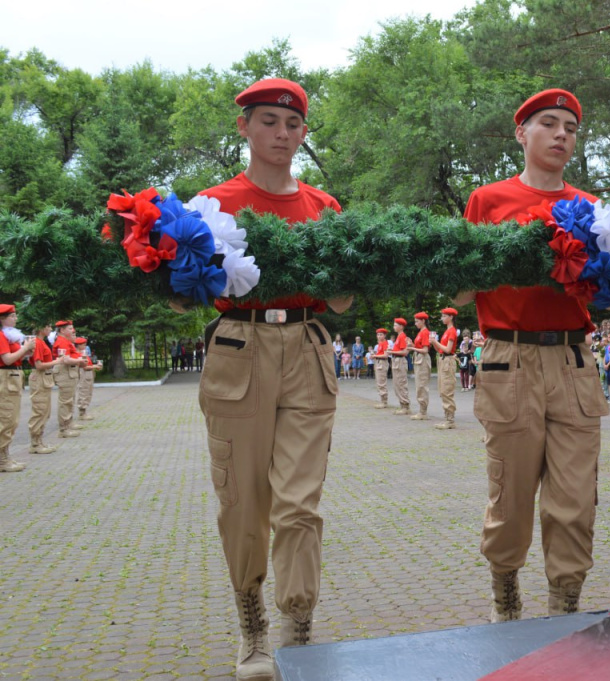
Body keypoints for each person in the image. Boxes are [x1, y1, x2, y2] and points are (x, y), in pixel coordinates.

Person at [194, 78, 350, 680]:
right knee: (242, 502)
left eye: (292, 125)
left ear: (303, 132)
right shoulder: (212, 204)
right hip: (239, 346)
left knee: (299, 504)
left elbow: (340, 301)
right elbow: (184, 297)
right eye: (267, 122)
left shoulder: (324, 208)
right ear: (245, 128)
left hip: (307, 348)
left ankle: (297, 625)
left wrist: (346, 273)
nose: (281, 134)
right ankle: (253, 626)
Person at [456, 89, 609, 621]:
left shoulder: (590, 208)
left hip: (572, 359)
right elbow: (462, 280)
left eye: (570, 126)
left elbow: (608, 286)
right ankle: (506, 596)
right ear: (522, 134)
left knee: (574, 499)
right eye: (549, 123)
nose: (562, 134)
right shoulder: (487, 201)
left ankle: (565, 608)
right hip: (510, 359)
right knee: (511, 494)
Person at [1, 304, 36, 473]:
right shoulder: (1, 336)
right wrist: (25, 348)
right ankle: (2, 459)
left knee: (11, 420)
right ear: (2, 318)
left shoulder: (9, 336)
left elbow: (15, 357)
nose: (16, 318)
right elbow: (7, 359)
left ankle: (5, 456)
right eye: (12, 316)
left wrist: (27, 351)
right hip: (6, 377)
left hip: (12, 377)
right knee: (6, 418)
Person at [27, 323, 59, 454]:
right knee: (40, 409)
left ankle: (39, 441)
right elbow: (38, 365)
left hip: (44, 377)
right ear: (41, 328)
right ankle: (35, 443)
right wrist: (56, 362)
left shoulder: (41, 342)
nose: (51, 329)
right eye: (48, 327)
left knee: (45, 410)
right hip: (39, 376)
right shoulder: (37, 342)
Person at [52, 320, 87, 438]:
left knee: (69, 399)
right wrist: (80, 360)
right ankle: (64, 429)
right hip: (65, 372)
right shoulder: (62, 341)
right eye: (70, 328)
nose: (72, 330)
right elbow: (65, 360)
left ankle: (68, 423)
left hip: (69, 372)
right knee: (65, 401)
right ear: (62, 330)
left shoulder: (66, 341)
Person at [430, 308, 460, 429]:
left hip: (448, 360)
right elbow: (441, 350)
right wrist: (434, 343)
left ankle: (450, 420)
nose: (442, 318)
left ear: (451, 317)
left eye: (444, 316)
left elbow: (448, 349)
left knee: (447, 390)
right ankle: (447, 418)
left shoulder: (452, 331)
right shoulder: (447, 331)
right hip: (443, 360)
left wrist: (435, 342)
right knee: (443, 390)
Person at [410, 312, 433, 420]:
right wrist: (412, 345)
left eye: (417, 321)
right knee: (419, 385)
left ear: (423, 321)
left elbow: (425, 350)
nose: (415, 323)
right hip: (418, 359)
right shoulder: (421, 332)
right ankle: (421, 411)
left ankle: (423, 412)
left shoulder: (425, 332)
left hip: (422, 359)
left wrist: (412, 348)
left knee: (422, 385)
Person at [74, 337, 101, 421]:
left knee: (88, 392)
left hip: (88, 374)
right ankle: (82, 412)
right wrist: (95, 366)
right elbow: (84, 367)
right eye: (83, 344)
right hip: (84, 374)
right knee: (84, 391)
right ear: (78, 345)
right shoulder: (79, 354)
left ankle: (84, 411)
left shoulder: (83, 353)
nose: (85, 346)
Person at [388, 318, 411, 415]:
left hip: (400, 361)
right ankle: (402, 405)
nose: (394, 327)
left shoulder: (402, 336)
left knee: (401, 383)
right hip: (396, 360)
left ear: (401, 326)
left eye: (395, 325)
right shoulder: (399, 337)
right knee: (397, 384)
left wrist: (392, 351)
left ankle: (405, 406)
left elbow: (404, 352)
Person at [371, 328, 390, 408]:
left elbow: (386, 355)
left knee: (381, 382)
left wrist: (375, 356)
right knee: (379, 382)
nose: (379, 336)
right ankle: (382, 400)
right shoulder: (380, 344)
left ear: (384, 335)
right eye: (378, 334)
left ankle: (384, 402)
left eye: (381, 334)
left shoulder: (385, 343)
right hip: (378, 362)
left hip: (382, 362)